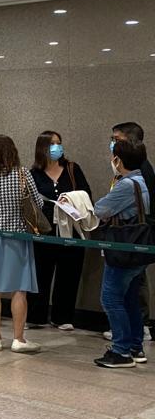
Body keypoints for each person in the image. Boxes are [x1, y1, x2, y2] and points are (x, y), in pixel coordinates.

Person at [0, 135, 45, 353]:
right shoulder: (22, 174)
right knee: (19, 290)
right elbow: (37, 203)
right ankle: (18, 339)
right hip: (17, 237)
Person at [93, 140, 151, 368]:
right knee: (129, 299)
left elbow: (101, 209)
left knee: (110, 298)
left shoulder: (127, 184)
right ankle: (135, 346)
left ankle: (120, 351)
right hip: (138, 249)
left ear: (118, 160)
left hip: (122, 250)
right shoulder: (142, 181)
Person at [27, 131, 91, 330]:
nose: (57, 147)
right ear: (42, 148)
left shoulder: (72, 169)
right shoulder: (33, 173)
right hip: (43, 230)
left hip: (71, 230)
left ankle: (62, 317)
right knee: (40, 273)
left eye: (59, 143)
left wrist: (70, 199)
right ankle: (35, 316)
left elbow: (86, 194)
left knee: (69, 274)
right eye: (52, 143)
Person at [109, 122, 155, 344]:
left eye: (116, 139)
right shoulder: (130, 173)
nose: (112, 144)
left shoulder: (137, 174)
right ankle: (134, 338)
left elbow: (103, 209)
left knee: (119, 293)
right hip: (135, 235)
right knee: (131, 288)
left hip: (133, 236)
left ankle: (126, 340)